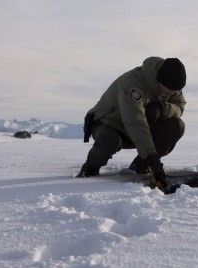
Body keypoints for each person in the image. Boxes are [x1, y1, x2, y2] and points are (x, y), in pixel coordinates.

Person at [77, 57, 187, 188]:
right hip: (109, 123)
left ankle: (140, 165)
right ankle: (90, 168)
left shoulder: (171, 82)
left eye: (176, 91)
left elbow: (179, 107)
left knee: (176, 126)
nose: (173, 93)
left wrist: (163, 108)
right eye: (170, 90)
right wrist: (151, 157)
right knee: (110, 139)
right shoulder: (133, 84)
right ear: (160, 81)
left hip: (138, 128)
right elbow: (136, 122)